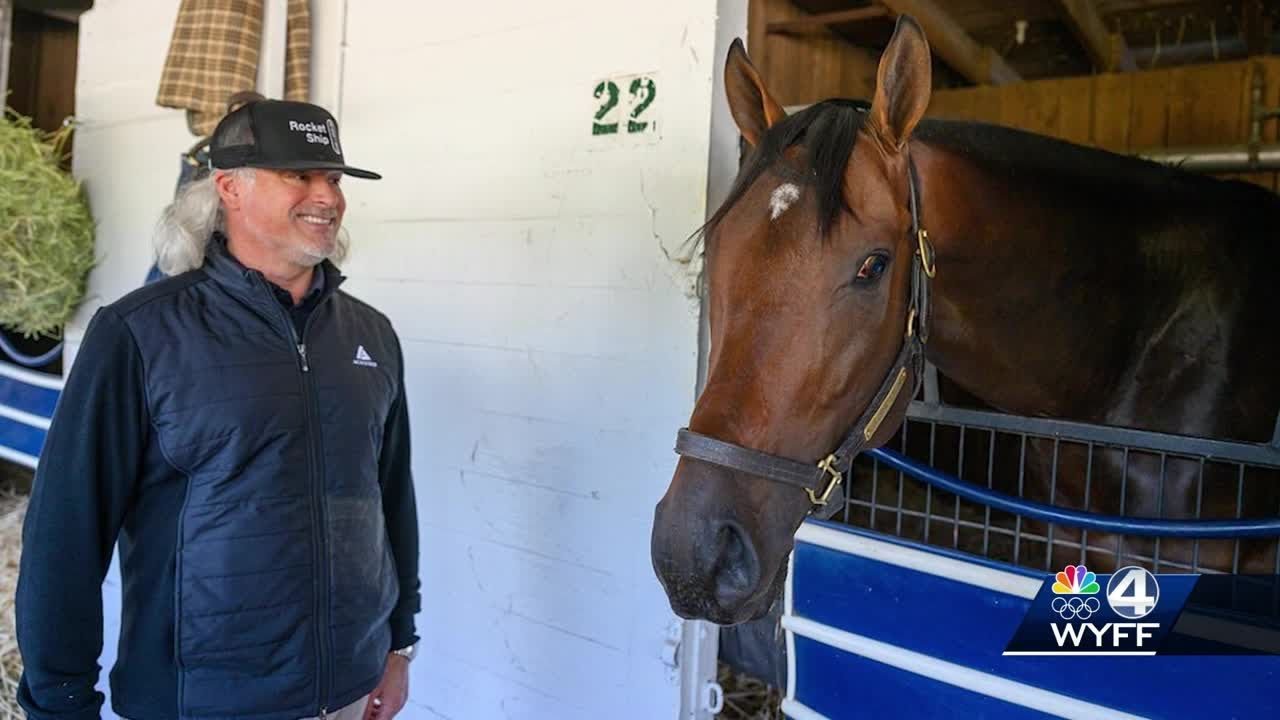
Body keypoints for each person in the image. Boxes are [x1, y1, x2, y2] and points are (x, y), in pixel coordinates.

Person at [16, 98, 421, 720]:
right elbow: (65, 533)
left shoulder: (370, 334)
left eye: (334, 178)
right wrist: (59, 701)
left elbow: (390, 499)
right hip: (200, 700)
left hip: (347, 691)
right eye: (299, 175)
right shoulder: (139, 332)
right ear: (229, 187)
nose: (328, 197)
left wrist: (399, 643)